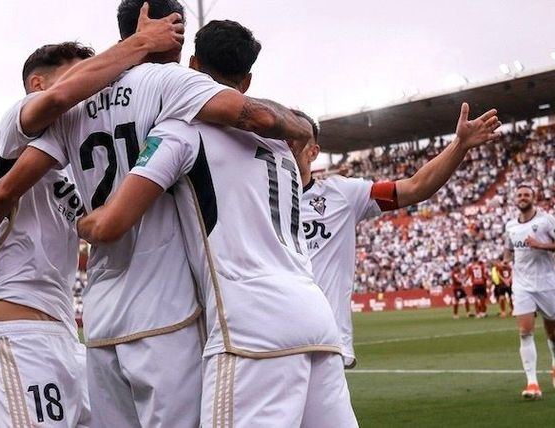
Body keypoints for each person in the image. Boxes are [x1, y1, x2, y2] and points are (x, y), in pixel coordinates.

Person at [23, 1, 314, 426]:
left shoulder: (74, 102)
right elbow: (255, 115)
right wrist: (300, 128)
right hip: (165, 309)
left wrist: (80, 219)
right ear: (167, 30)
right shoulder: (171, 83)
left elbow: (14, 181)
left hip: (102, 314)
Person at [0, 9, 187, 426]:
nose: (89, 86)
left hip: (65, 330)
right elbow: (1, 193)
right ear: (37, 83)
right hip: (17, 328)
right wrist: (139, 43)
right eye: (80, 75)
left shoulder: (72, 148)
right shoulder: (19, 124)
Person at [77, 20, 357, 427]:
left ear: (191, 64)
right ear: (246, 80)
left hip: (249, 325)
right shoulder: (280, 144)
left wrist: (83, 223)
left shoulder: (182, 130)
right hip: (315, 315)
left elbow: (111, 224)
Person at [292, 104, 501, 367]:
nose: (286, 146)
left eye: (295, 140)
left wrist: (459, 145)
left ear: (313, 152)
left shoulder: (343, 195)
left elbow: (415, 187)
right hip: (273, 344)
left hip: (326, 344)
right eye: (281, 138)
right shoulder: (255, 198)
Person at [504, 183, 555, 400]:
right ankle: (532, 383)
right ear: (515, 199)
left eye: (526, 194)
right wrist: (504, 264)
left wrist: (539, 245)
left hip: (546, 282)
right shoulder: (510, 226)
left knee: (553, 333)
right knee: (525, 332)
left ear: (534, 198)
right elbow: (508, 251)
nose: (523, 197)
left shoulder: (546, 221)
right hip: (522, 285)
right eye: (520, 195)